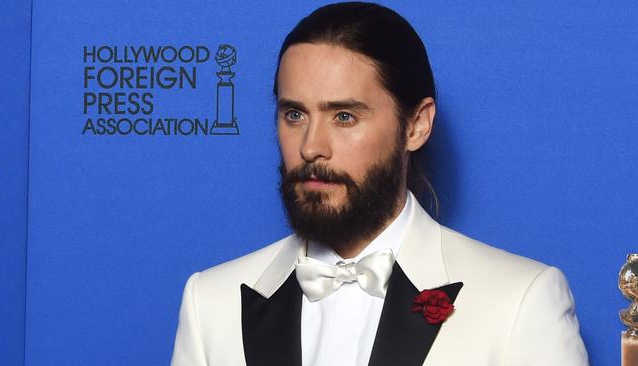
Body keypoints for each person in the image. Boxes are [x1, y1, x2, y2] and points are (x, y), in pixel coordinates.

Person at [171, 2, 588, 365]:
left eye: (344, 117)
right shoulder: (210, 301)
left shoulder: (519, 302)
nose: (312, 147)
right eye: (294, 115)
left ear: (417, 125)